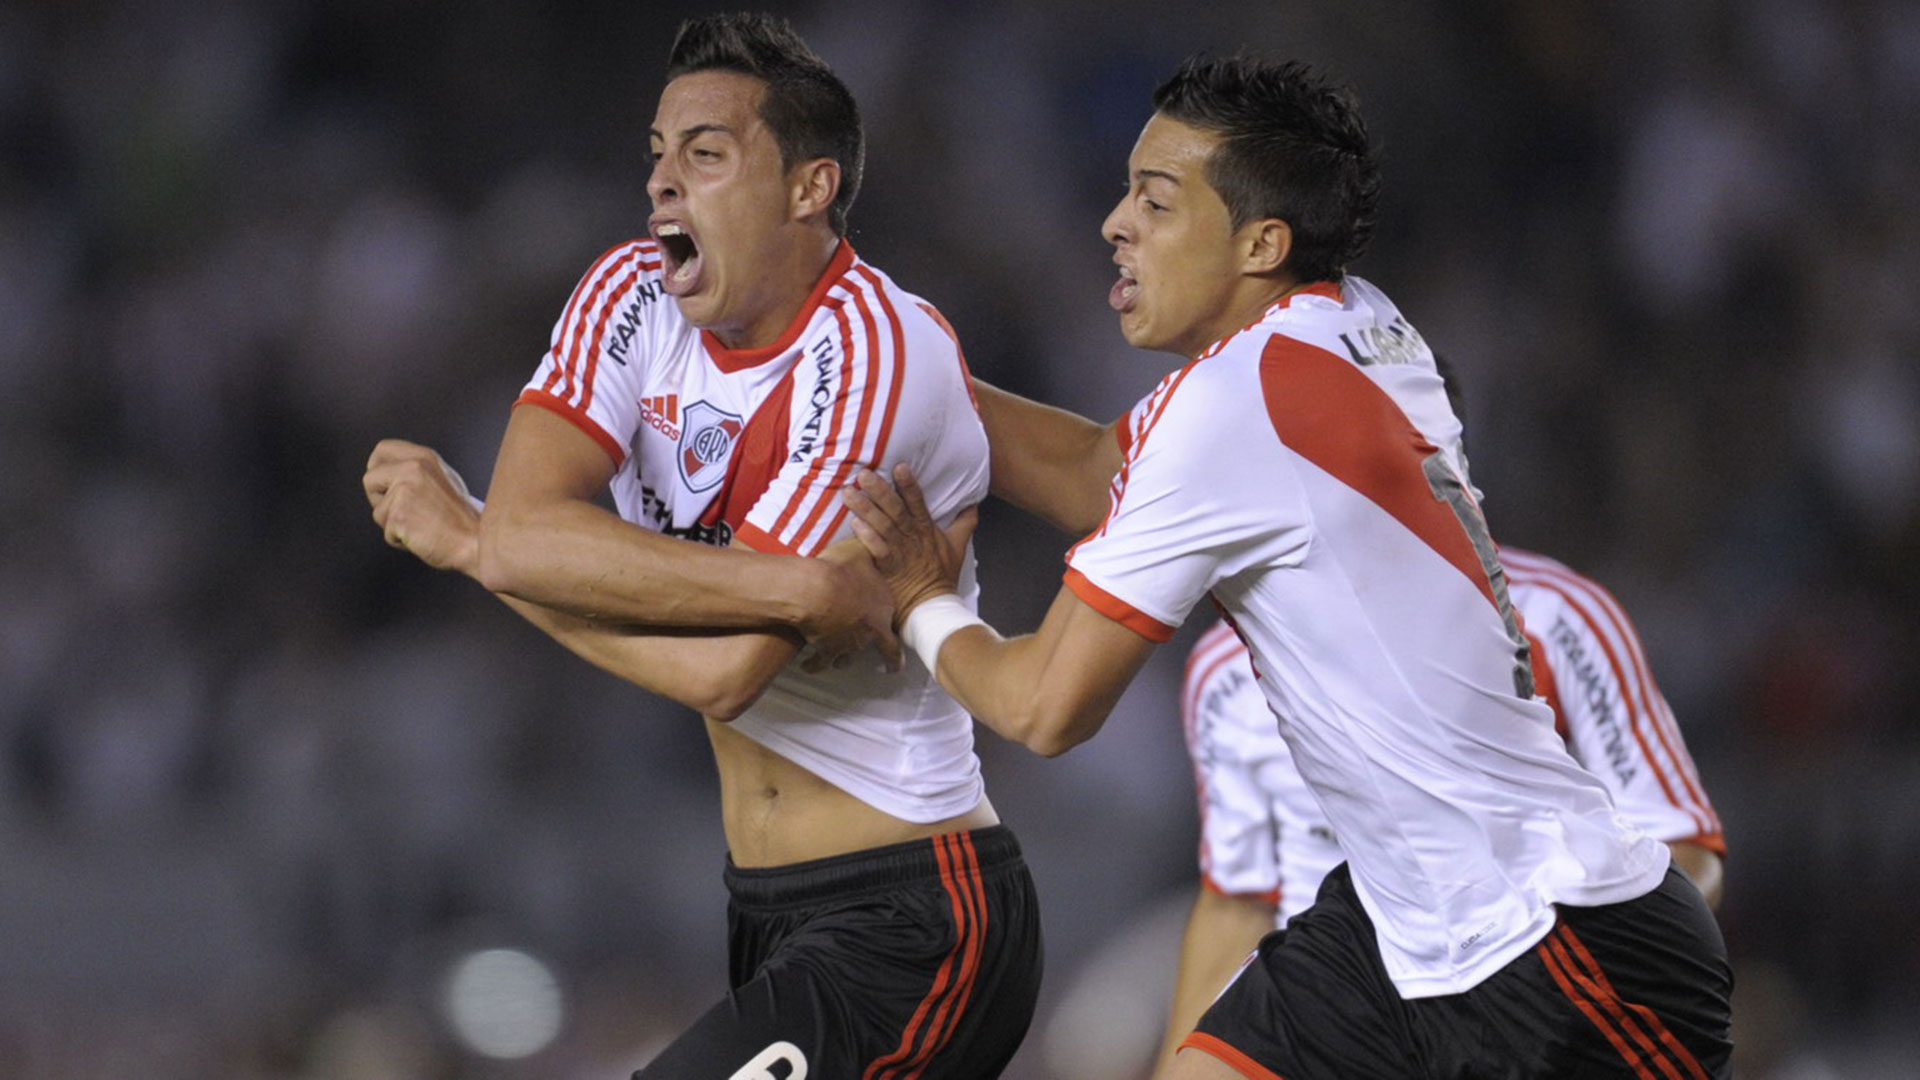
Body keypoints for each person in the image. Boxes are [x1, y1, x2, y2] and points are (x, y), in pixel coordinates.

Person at [844, 55, 1732, 1079]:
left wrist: (917, 599)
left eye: (1156, 199)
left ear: (1262, 242)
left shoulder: (1229, 406)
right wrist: (903, 374)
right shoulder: (1355, 321)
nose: (1114, 222)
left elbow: (1047, 707)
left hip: (1559, 944)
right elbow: (1103, 475)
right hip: (1395, 926)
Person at [361, 14, 1040, 1078]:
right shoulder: (627, 295)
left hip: (916, 914)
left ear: (810, 189)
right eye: (659, 155)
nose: (663, 184)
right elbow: (534, 532)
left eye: (707, 154)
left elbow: (729, 670)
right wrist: (501, 546)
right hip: (769, 910)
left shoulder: (875, 352)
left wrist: (476, 548)